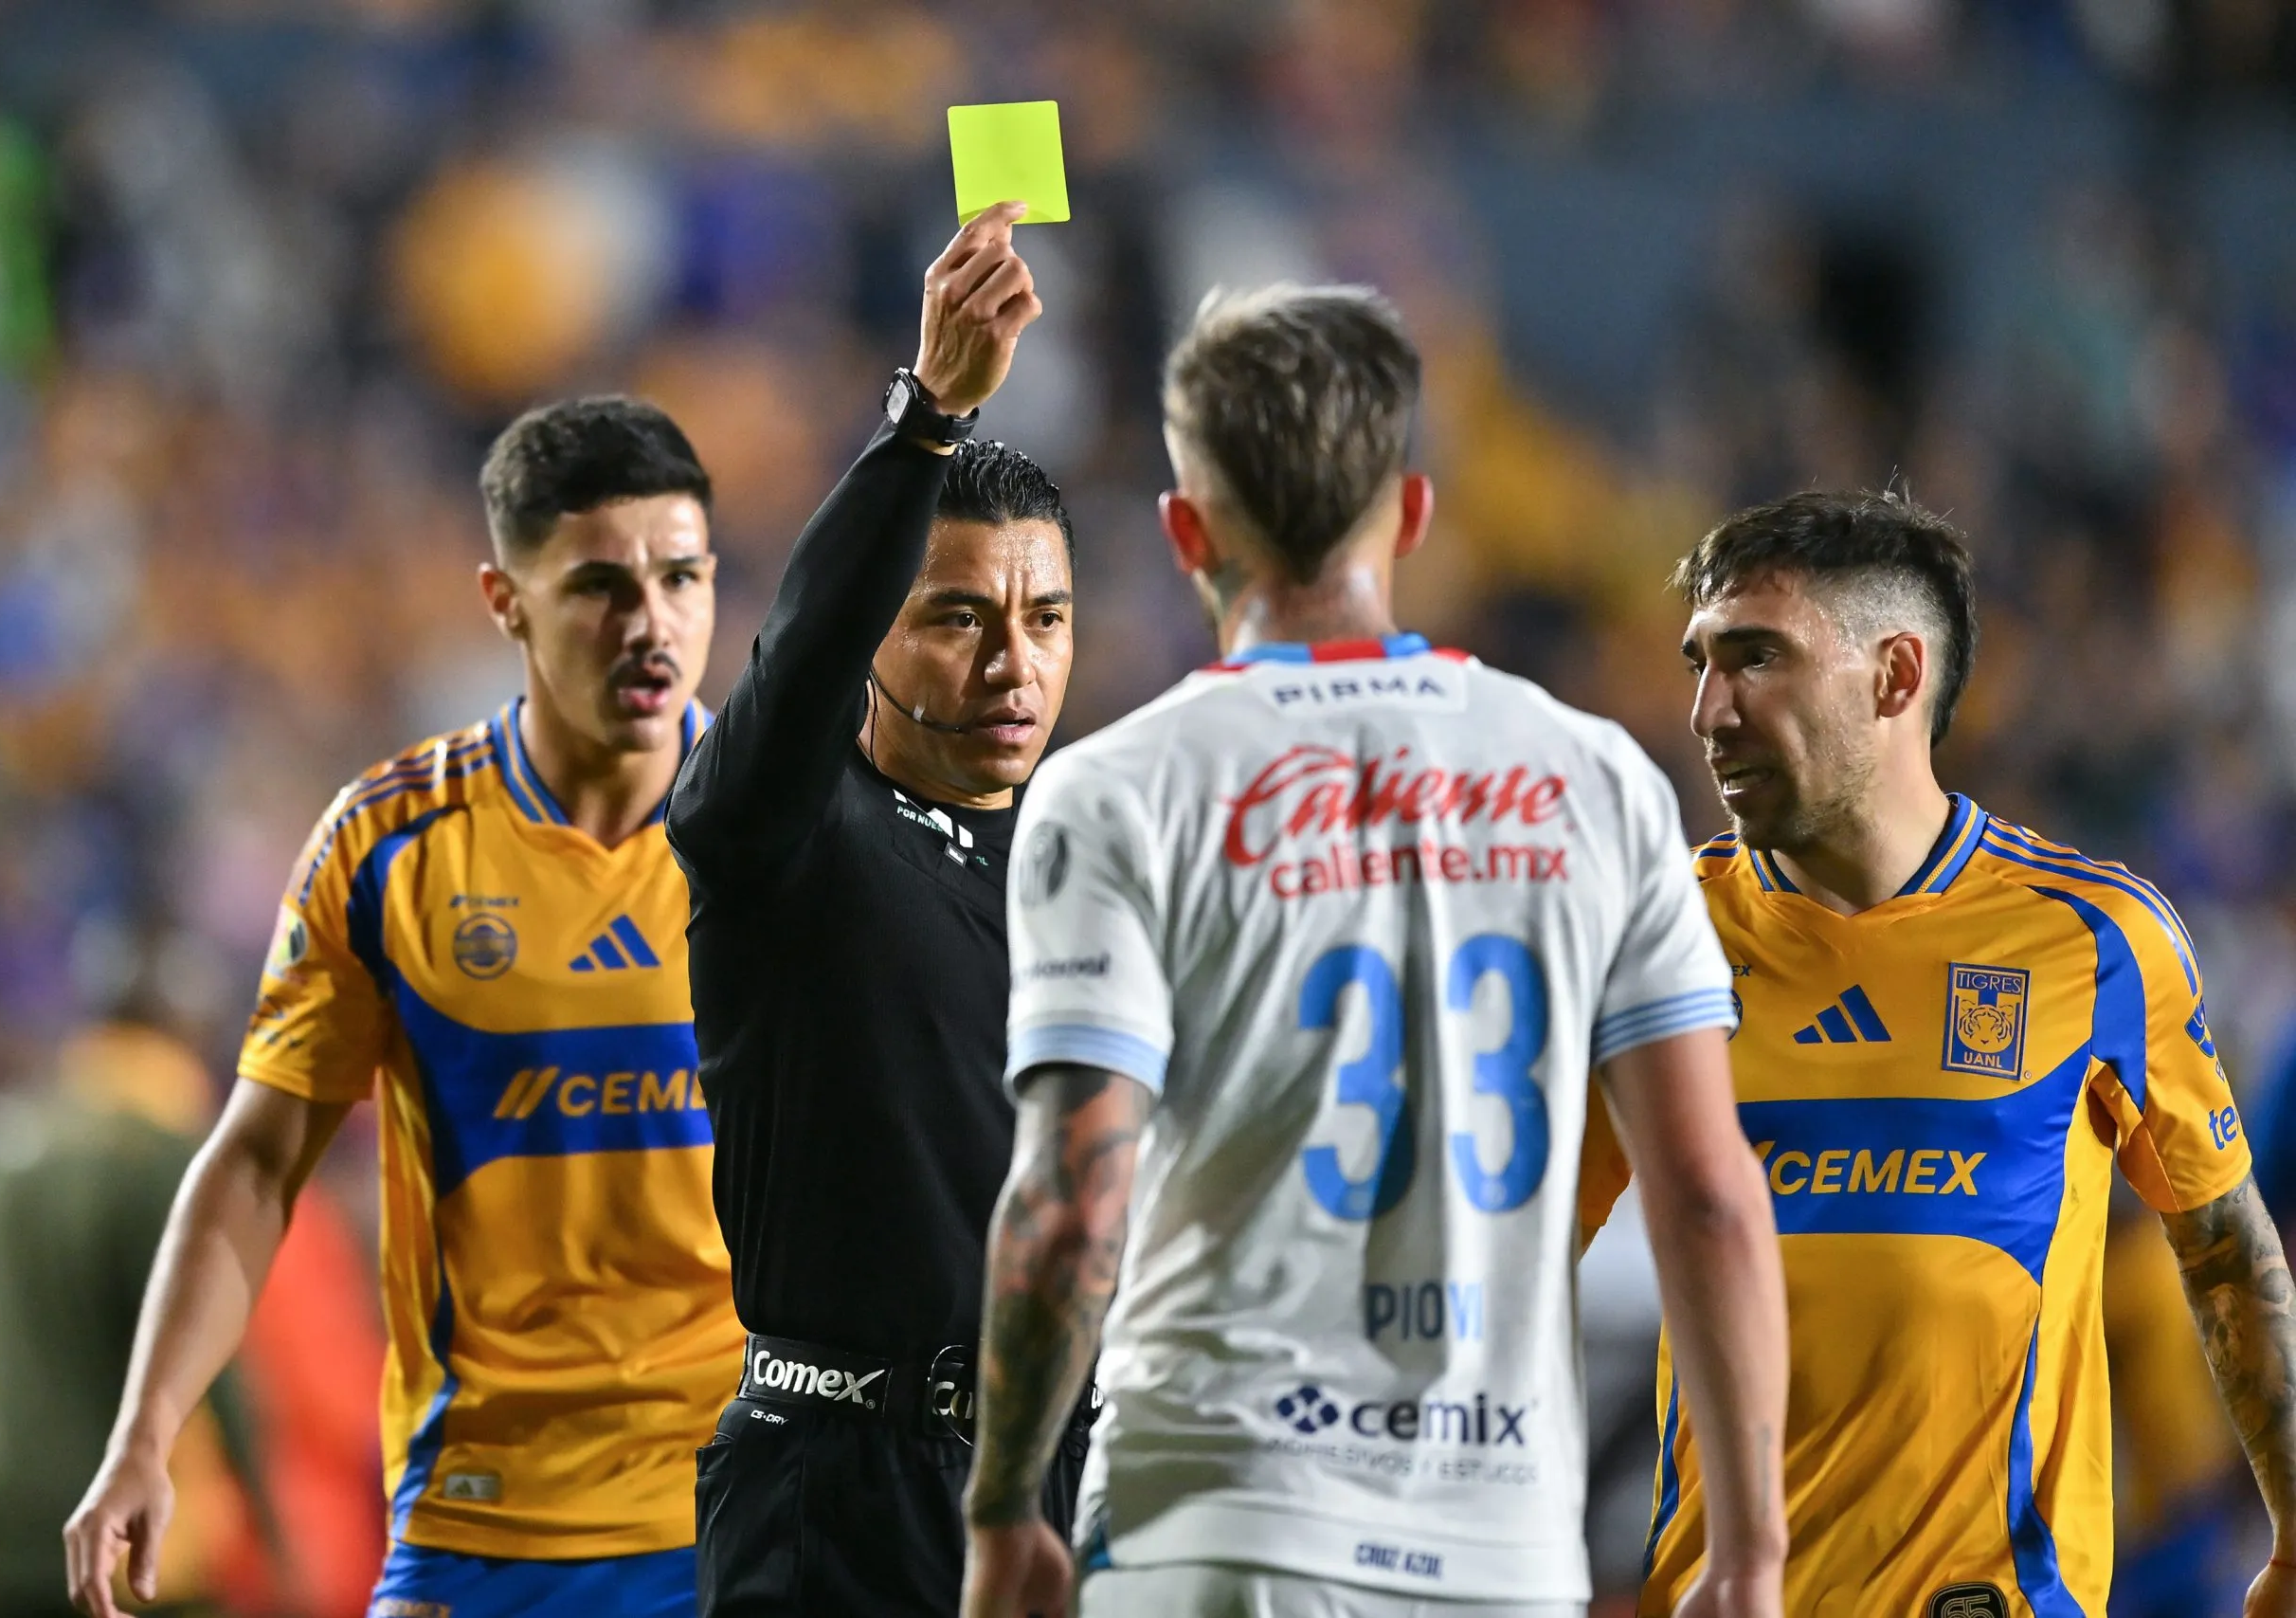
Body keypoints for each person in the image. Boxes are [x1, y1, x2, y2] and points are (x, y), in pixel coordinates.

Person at [959, 282, 1789, 1618]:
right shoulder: (1597, 780)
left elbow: (1070, 1197)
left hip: (1215, 1518)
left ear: (1185, 531)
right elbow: (1707, 1193)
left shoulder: (1118, 790)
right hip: (1499, 1543)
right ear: (1410, 512)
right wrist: (1749, 1552)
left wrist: (1004, 1509)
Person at [63, 396, 744, 1618]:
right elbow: (258, 1163)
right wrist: (145, 1433)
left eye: (680, 578)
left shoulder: (786, 833)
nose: (651, 624)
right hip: (480, 1527)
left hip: (739, 1514)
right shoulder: (388, 845)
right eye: (599, 586)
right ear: (505, 602)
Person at [1576, 489, 2296, 1616]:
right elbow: (1514, 1261)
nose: (1708, 710)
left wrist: (2293, 1535)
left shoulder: (2096, 939)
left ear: (1894, 676)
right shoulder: (1655, 936)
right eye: (1699, 664)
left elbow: (2223, 1249)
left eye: (1755, 658)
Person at [663, 201, 1086, 1615]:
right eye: (958, 616)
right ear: (874, 635)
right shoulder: (786, 832)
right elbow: (791, 671)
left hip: (1061, 1483)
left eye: (1046, 618)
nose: (1012, 663)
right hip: (839, 1492)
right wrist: (926, 426)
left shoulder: (1091, 861)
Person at [0, 1021, 280, 1618]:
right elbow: (201, 1354)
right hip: (110, 1552)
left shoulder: (0, 1152)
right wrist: (276, 1533)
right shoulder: (156, 1156)